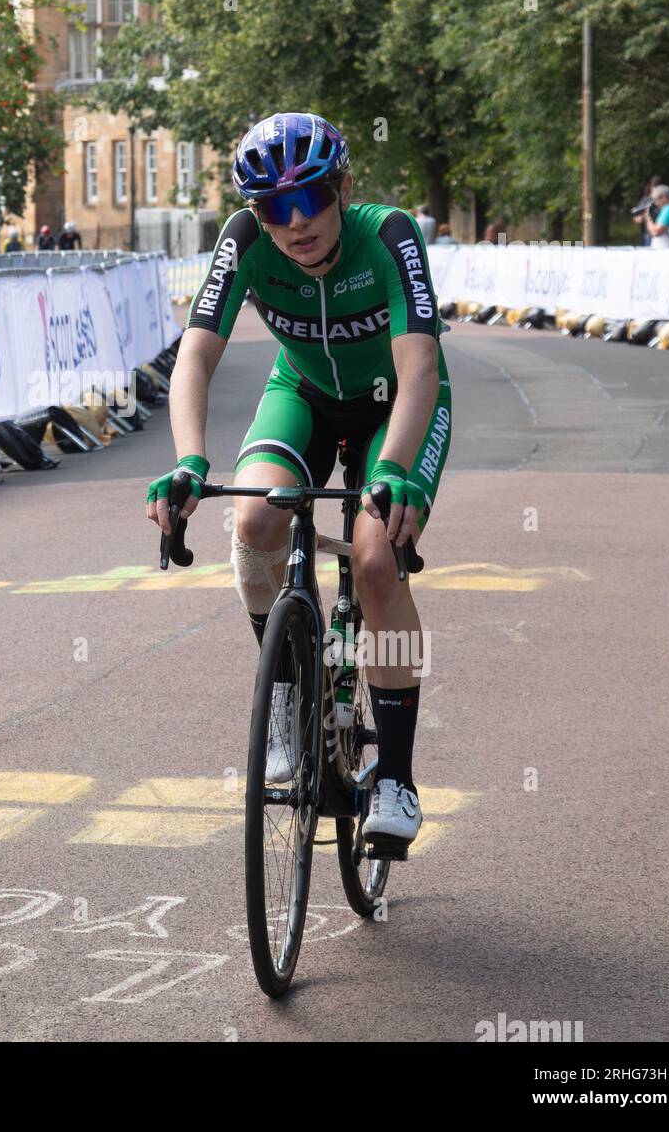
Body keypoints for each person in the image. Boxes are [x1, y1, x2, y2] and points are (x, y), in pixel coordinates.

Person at [146, 112, 451, 852]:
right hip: (306, 394)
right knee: (253, 522)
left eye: (308, 199)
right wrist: (190, 460)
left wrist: (390, 472)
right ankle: (289, 696)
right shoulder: (246, 244)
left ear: (342, 188)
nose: (294, 223)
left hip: (395, 406)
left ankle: (399, 780)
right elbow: (194, 358)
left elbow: (419, 368)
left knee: (376, 560)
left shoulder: (390, 235)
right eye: (272, 208)